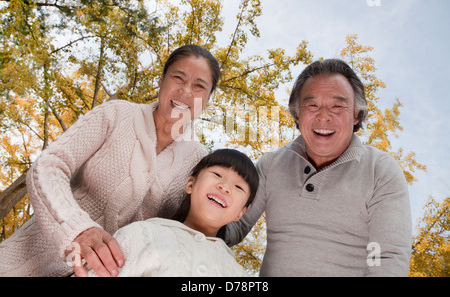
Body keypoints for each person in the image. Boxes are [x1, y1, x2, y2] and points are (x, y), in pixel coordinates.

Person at [0, 45, 220, 277]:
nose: (185, 91)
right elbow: (49, 166)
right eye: (178, 77)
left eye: (199, 86)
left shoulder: (201, 160)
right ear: (161, 80)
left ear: (208, 98)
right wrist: (77, 229)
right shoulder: (117, 114)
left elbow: (192, 228)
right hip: (21, 263)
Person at [223, 59, 412, 276]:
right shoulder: (271, 165)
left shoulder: (381, 170)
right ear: (297, 114)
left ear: (356, 115)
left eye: (337, 105)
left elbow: (386, 258)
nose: (323, 115)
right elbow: (234, 225)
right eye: (312, 105)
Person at [84, 149, 258, 277]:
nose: (225, 187)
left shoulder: (237, 273)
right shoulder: (141, 234)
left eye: (238, 187)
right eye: (217, 174)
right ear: (190, 184)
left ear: (240, 214)